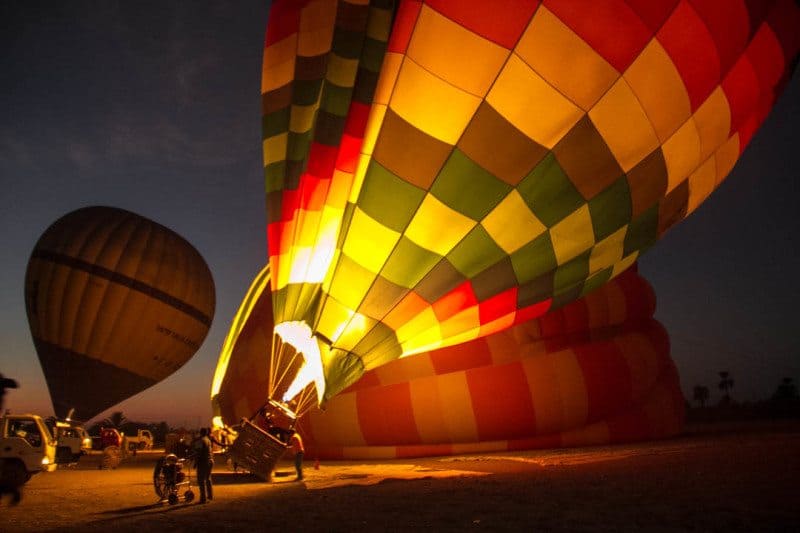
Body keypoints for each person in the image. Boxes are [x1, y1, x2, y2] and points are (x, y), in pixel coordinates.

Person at [191, 428, 213, 503]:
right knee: (208, 479)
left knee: (201, 480)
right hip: (210, 461)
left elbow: (199, 453)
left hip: (203, 462)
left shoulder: (200, 441)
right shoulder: (208, 439)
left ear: (200, 433)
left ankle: (203, 498)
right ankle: (210, 496)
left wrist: (195, 463)